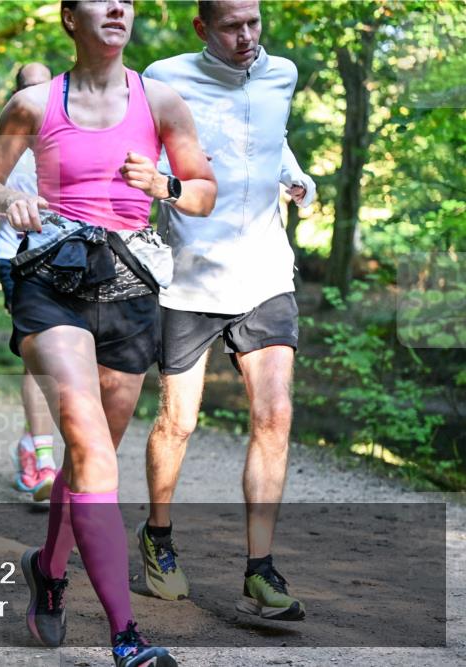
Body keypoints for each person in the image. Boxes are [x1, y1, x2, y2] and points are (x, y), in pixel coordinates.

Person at [0, 1, 215, 665]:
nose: (117, 9)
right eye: (100, 0)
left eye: (126, 1)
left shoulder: (162, 102)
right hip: (53, 284)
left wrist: (164, 183)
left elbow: (204, 191)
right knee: (94, 452)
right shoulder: (36, 102)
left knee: (84, 464)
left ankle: (47, 569)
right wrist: (6, 199)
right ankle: (126, 636)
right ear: (70, 18)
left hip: (133, 291)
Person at [136, 0, 317, 622]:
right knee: (177, 424)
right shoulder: (164, 77)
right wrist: (166, 187)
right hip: (189, 279)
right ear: (202, 29)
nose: (247, 38)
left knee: (276, 414)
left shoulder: (282, 74)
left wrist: (299, 180)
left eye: (254, 24)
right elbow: (149, 164)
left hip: (266, 272)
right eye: (232, 27)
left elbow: (273, 140)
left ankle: (260, 571)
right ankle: (157, 536)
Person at [0, 63, 58, 502]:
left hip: (71, 260)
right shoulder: (5, 144)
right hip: (16, 258)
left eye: (46, 88)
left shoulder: (74, 134)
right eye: (31, 89)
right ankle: (44, 460)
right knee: (38, 360)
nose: (40, 96)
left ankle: (30, 442)